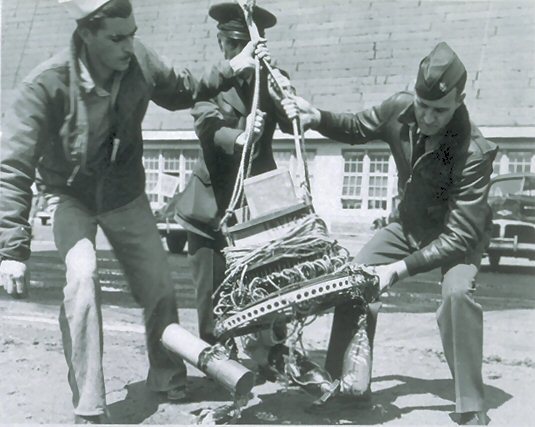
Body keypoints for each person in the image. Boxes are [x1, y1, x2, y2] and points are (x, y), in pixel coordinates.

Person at [0, 0, 266, 423]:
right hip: (71, 197)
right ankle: (89, 406)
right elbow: (13, 167)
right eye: (117, 37)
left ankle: (166, 376)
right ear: (87, 35)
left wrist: (233, 66)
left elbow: (185, 91)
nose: (130, 44)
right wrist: (12, 251)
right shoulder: (46, 85)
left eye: (133, 33)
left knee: (159, 284)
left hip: (125, 195)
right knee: (82, 280)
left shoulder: (138, 60)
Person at [281, 42, 497, 425]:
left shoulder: (474, 151)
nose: (428, 118)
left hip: (456, 237)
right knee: (354, 281)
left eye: (440, 110)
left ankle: (470, 405)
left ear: (460, 101)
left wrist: (396, 271)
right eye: (422, 105)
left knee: (457, 297)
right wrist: (316, 116)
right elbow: (356, 126)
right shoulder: (399, 108)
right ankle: (348, 390)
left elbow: (460, 235)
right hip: (408, 225)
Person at [177, 1, 293, 373]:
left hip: (257, 210)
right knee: (211, 297)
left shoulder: (270, 79)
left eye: (246, 46)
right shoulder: (210, 83)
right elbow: (206, 126)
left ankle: (273, 356)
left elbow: (294, 121)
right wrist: (241, 137)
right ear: (221, 43)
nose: (238, 52)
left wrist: (280, 85)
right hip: (210, 211)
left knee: (271, 287)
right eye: (232, 45)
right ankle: (219, 367)